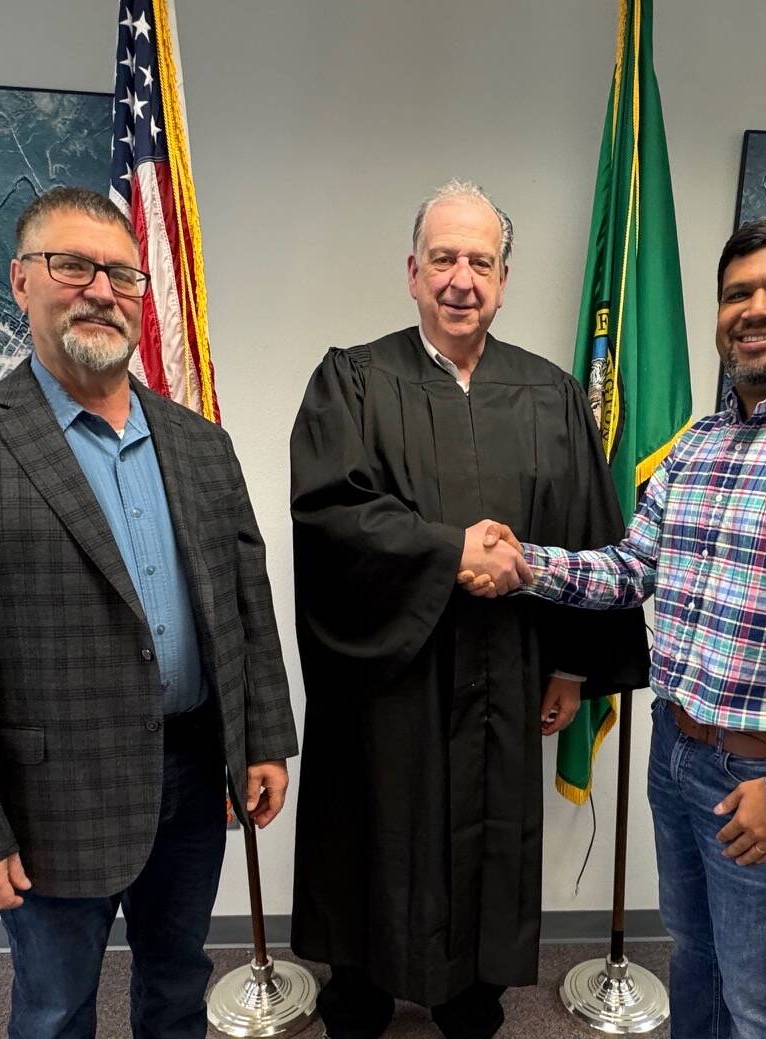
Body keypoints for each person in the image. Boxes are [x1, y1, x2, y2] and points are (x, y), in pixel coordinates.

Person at [462, 214, 766, 1039]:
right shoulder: (699, 445)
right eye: (736, 293)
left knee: (759, 997)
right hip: (676, 754)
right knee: (695, 961)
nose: (755, 308)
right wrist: (525, 562)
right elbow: (629, 568)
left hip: (765, 771)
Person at [0, 186, 298, 1039]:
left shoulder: (200, 444)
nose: (101, 291)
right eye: (72, 266)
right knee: (54, 1009)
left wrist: (262, 738)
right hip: (49, 796)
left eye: (121, 274)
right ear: (21, 280)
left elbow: (245, 603)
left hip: (192, 774)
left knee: (177, 985)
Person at [288, 180, 649, 1039]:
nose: (462, 279)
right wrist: (452, 551)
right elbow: (332, 515)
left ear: (503, 279)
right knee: (375, 833)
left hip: (506, 667)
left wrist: (571, 665)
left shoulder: (551, 393)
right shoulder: (353, 380)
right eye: (443, 258)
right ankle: (360, 996)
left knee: (488, 837)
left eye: (480, 262)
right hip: (388, 679)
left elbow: (588, 531)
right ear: (413, 272)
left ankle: (469, 999)